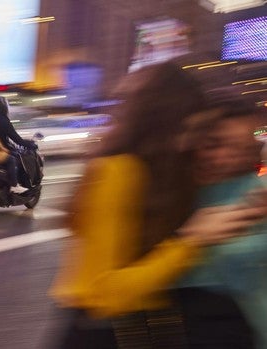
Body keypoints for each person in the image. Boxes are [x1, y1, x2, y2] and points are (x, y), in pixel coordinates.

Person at [44, 61, 267, 348]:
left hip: (148, 326)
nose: (189, 142)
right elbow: (105, 294)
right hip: (99, 331)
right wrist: (192, 239)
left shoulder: (166, 175)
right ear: (164, 120)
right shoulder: (118, 170)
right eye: (188, 129)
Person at [174, 89, 267, 348]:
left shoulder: (254, 191)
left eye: (241, 148)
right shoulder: (166, 193)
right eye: (213, 143)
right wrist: (189, 239)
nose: (224, 157)